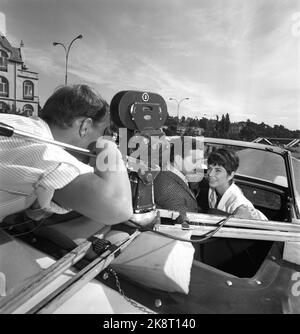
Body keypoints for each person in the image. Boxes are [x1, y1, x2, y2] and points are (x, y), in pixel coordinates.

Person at [0, 84, 133, 225]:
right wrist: (109, 146)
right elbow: (117, 209)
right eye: (104, 132)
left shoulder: (22, 126)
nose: (104, 138)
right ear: (84, 127)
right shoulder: (45, 150)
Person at [207, 148, 267, 220]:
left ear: (230, 175)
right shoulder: (213, 191)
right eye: (209, 168)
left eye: (218, 170)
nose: (210, 174)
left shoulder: (238, 204)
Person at [153, 136, 205, 216]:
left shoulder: (168, 175)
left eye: (201, 160)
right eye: (195, 160)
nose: (199, 166)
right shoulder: (170, 188)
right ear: (178, 159)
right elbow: (185, 222)